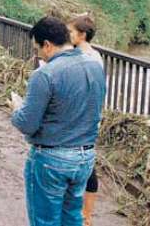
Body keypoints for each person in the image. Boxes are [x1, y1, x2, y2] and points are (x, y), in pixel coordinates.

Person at [11, 16, 106, 226]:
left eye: (37, 48)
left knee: (45, 221)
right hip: (85, 158)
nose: (38, 54)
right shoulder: (94, 65)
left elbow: (27, 123)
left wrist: (16, 110)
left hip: (52, 160)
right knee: (72, 217)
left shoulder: (44, 74)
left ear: (46, 44)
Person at [68, 15, 104, 226]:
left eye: (71, 32)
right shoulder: (92, 55)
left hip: (83, 119)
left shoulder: (88, 58)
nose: (68, 35)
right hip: (86, 118)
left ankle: (86, 215)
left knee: (87, 165)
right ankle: (83, 214)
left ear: (82, 35)